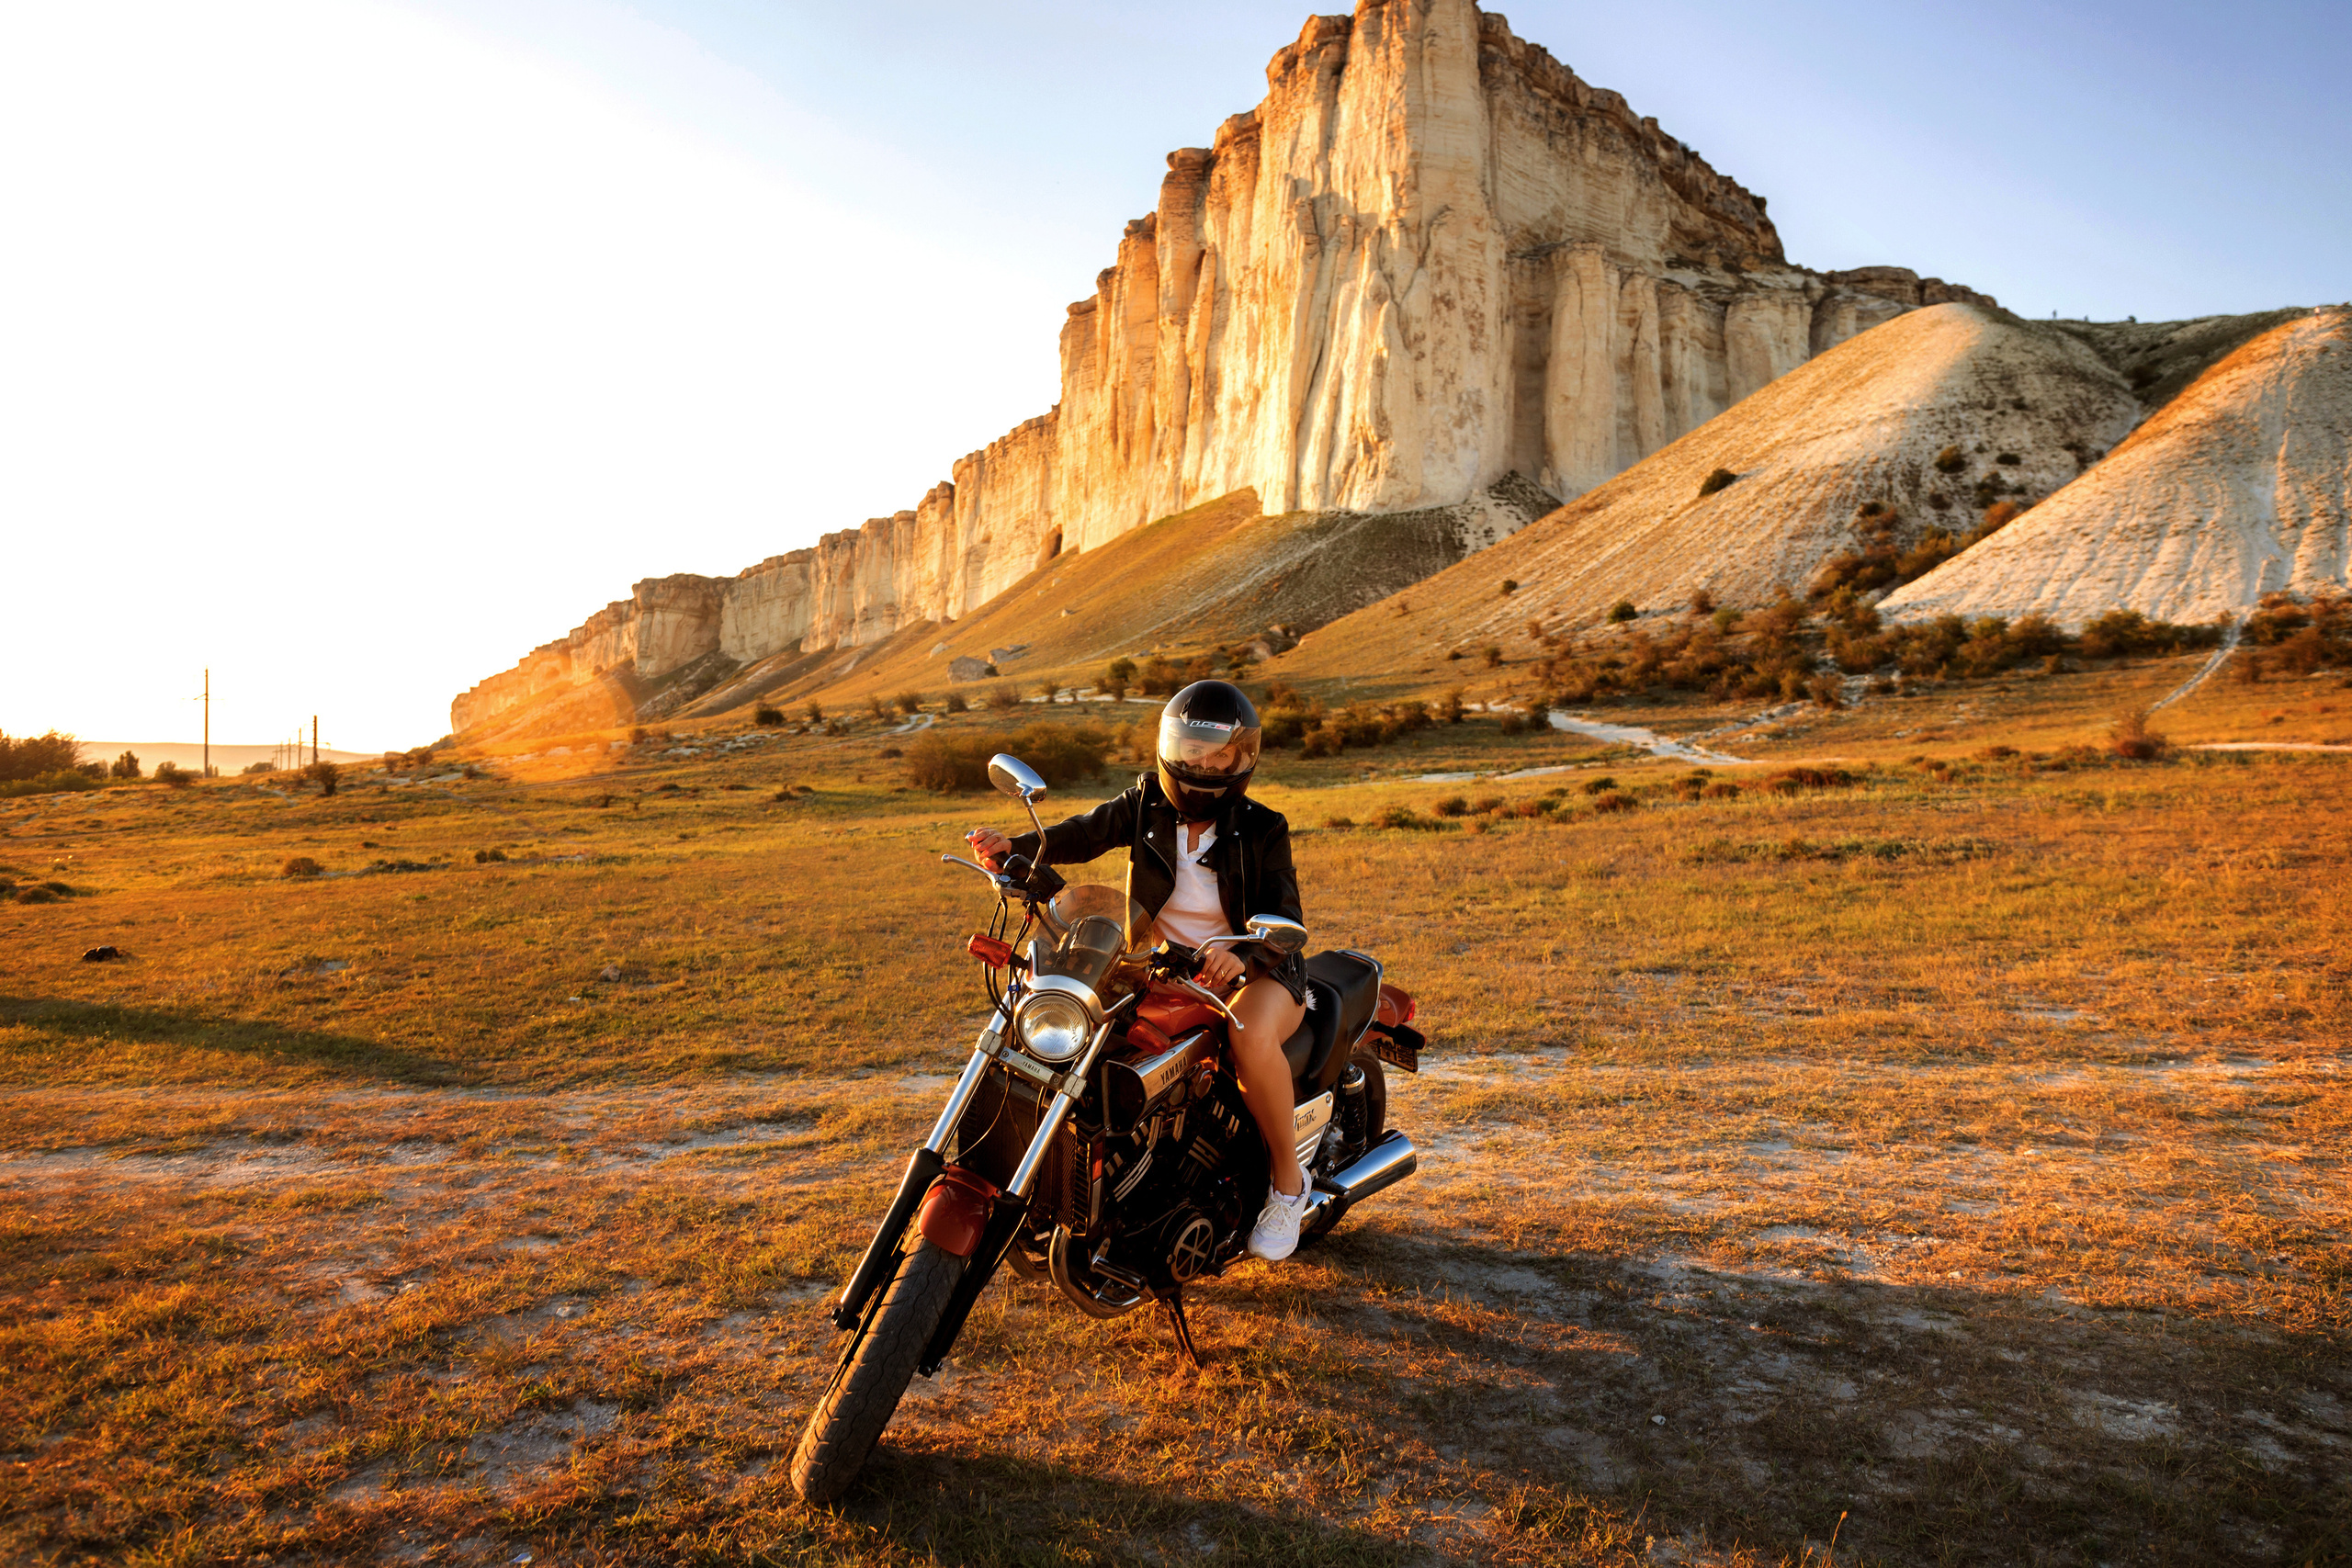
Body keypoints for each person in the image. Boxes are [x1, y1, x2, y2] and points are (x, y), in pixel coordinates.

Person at [967, 680, 1317, 1262]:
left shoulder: (1263, 827)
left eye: (1220, 755)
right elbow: (1084, 832)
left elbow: (1286, 913)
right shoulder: (1145, 803)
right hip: (1159, 963)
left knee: (1249, 1037)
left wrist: (1245, 955)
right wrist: (1018, 848)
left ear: (1242, 757)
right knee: (1073, 1025)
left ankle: (1287, 1186)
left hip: (1257, 969)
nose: (1203, 765)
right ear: (1170, 746)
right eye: (1193, 749)